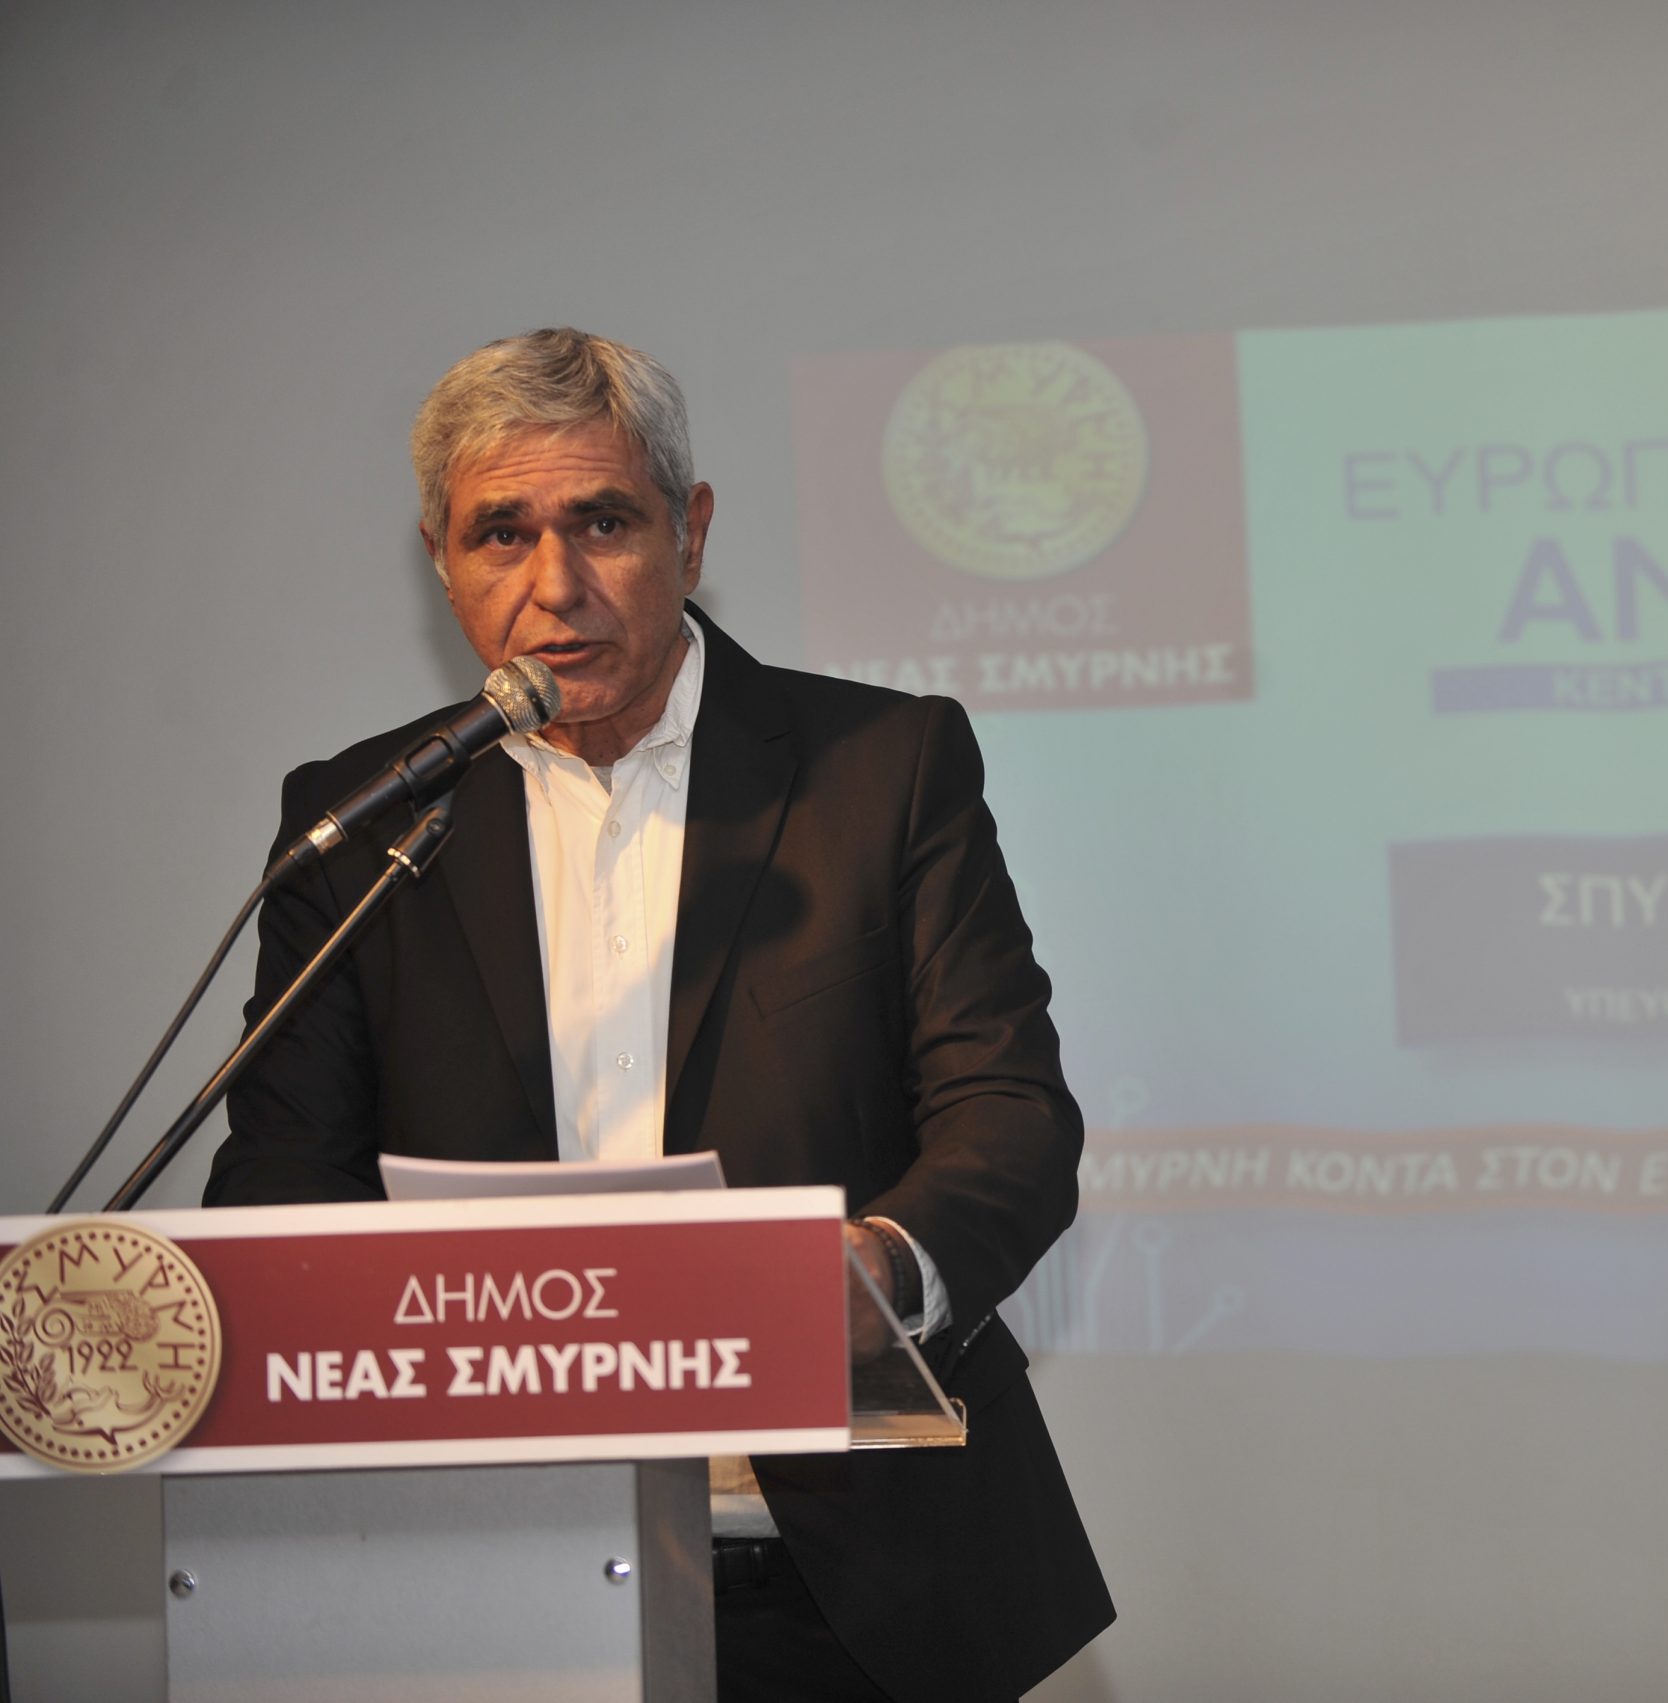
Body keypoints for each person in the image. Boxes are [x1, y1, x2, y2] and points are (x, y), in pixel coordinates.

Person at [203, 327, 1113, 1701]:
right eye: (500, 534)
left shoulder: (880, 767)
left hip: (840, 1583)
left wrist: (882, 1271)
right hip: (475, 1573)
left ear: (690, 535)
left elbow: (1012, 1117)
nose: (554, 583)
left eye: (604, 522)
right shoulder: (360, 824)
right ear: (441, 560)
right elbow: (280, 1178)